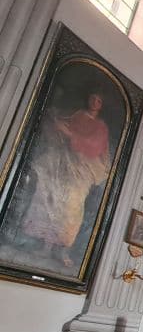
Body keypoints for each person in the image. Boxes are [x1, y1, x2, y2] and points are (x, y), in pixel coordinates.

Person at [18, 92, 112, 270]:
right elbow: (62, 128)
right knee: (53, 200)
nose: (94, 101)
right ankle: (46, 249)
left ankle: (64, 252)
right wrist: (57, 124)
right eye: (92, 97)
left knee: (72, 206)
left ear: (101, 105)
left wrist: (70, 135)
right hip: (64, 162)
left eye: (98, 99)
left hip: (83, 167)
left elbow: (94, 145)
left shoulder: (101, 127)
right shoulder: (77, 115)